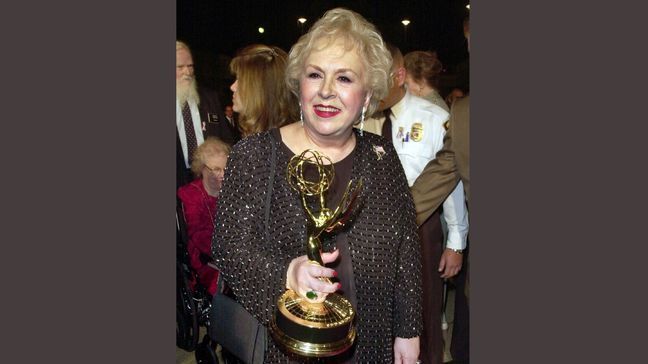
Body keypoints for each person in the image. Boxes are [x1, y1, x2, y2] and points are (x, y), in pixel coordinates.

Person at [213, 8, 422, 363]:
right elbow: (230, 246)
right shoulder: (256, 154)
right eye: (315, 75)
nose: (326, 91)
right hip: (289, 345)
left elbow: (406, 249)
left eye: (344, 78)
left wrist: (408, 330)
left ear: (367, 96)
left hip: (369, 340)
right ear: (299, 86)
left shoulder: (382, 157)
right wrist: (285, 273)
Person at [364, 43, 468, 364]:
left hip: (422, 230)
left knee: (423, 320)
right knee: (377, 318)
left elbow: (450, 182)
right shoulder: (358, 119)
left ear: (398, 75)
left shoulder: (435, 117)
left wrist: (455, 242)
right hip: (370, 234)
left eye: (377, 77)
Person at [176, 40, 236, 188]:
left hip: (211, 181)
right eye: (180, 67)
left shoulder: (209, 97)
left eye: (190, 66)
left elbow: (227, 138)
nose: (187, 72)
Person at [178, 137, 230, 296]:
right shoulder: (189, 195)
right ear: (202, 169)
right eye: (216, 169)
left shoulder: (232, 192)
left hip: (230, 256)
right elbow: (199, 236)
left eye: (226, 168)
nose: (223, 175)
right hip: (204, 263)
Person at [229, 44, 298, 138]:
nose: (232, 87)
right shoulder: (266, 138)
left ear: (258, 89)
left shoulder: (274, 144)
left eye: (240, 80)